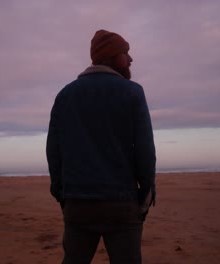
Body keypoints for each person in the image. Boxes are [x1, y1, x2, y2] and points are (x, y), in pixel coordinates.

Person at [46, 29, 156, 264]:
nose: (131, 59)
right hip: (121, 202)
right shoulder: (133, 93)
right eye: (126, 52)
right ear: (112, 56)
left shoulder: (65, 95)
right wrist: (145, 196)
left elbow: (54, 152)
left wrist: (62, 194)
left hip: (77, 203)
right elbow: (145, 151)